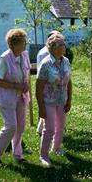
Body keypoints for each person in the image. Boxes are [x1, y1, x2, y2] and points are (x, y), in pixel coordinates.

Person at [0, 29, 31, 165]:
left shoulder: (24, 55)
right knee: (11, 126)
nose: (25, 44)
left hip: (21, 96)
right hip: (7, 97)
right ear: (14, 44)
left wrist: (26, 85)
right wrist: (16, 86)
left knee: (21, 126)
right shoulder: (5, 58)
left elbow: (27, 73)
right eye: (23, 42)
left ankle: (18, 154)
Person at [36, 33, 72, 167]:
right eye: (62, 44)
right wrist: (41, 107)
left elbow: (69, 82)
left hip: (62, 101)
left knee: (60, 127)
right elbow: (38, 87)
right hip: (48, 101)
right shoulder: (46, 64)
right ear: (54, 48)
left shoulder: (66, 61)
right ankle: (44, 155)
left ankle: (56, 148)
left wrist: (69, 100)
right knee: (49, 128)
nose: (65, 46)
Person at [36, 30, 60, 136]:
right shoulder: (46, 52)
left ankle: (42, 128)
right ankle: (44, 130)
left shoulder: (46, 50)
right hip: (48, 84)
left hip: (50, 82)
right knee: (48, 107)